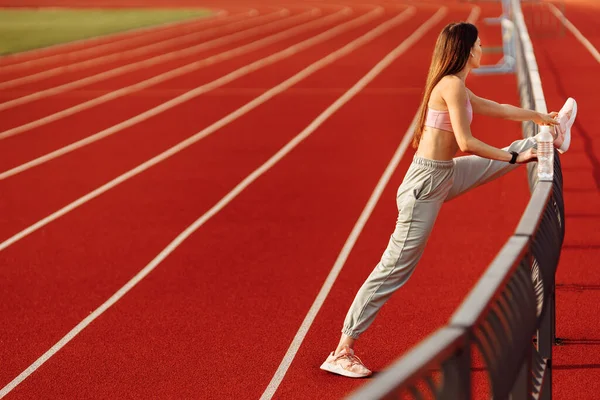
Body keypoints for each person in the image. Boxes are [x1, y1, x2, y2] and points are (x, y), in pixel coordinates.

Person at [320, 21, 577, 378]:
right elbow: (467, 142)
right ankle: (342, 349)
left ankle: (550, 133)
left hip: (443, 174)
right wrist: (516, 160)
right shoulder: (451, 86)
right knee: (395, 268)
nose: (481, 48)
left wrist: (538, 117)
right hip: (426, 184)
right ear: (465, 49)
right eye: (477, 44)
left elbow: (497, 108)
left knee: (507, 155)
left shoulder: (457, 86)